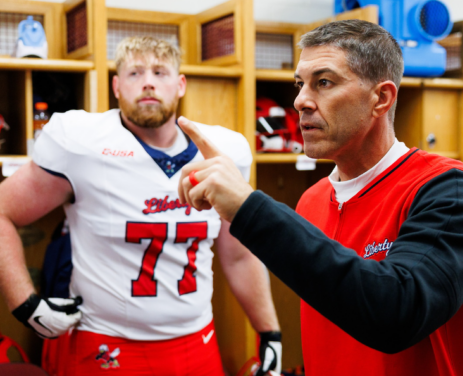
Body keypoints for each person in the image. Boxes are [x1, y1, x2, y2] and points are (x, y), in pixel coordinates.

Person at [177, 19, 463, 375]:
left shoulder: (452, 191)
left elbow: (398, 311)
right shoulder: (312, 200)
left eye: (323, 82)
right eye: (300, 84)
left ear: (381, 98)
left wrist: (250, 210)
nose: (301, 101)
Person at [0, 36, 281, 376]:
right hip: (106, 343)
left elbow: (238, 255)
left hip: (196, 340)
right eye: (135, 73)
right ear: (116, 86)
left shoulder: (222, 150)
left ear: (180, 85)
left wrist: (270, 333)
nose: (148, 81)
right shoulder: (82, 143)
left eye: (160, 72)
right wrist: (25, 304)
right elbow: (3, 211)